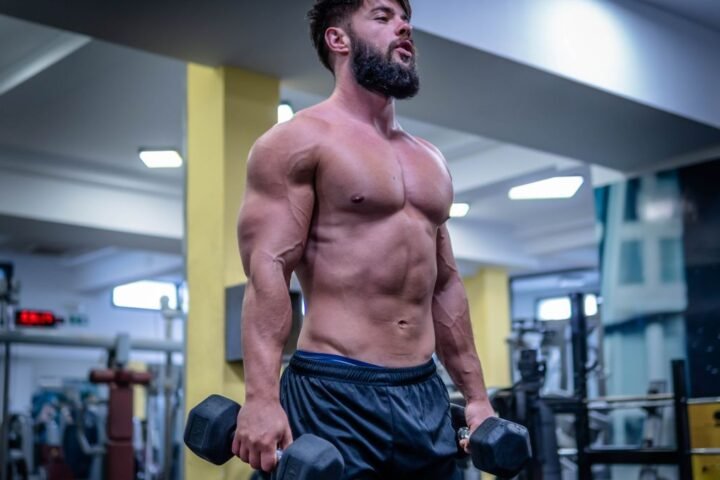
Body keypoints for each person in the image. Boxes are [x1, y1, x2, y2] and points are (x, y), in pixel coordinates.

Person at [232, 0, 494, 478]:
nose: (404, 25)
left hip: (424, 392)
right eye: (383, 15)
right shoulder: (297, 141)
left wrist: (476, 397)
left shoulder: (429, 159)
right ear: (339, 40)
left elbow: (445, 285)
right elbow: (267, 269)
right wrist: (260, 399)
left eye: (405, 16)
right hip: (333, 390)